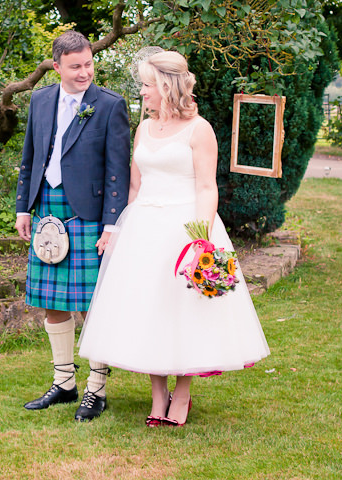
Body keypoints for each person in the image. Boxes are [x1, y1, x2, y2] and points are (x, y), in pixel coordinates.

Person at [78, 50, 270, 427]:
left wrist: (202, 238)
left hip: (186, 227)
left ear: (166, 86)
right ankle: (157, 395)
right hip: (144, 227)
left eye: (148, 85)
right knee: (149, 309)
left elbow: (206, 186)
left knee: (183, 310)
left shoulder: (200, 130)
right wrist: (118, 229)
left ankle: (181, 394)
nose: (143, 92)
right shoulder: (144, 128)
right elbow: (134, 185)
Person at [15, 31, 131, 421]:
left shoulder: (110, 105)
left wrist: (112, 224)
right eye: (76, 66)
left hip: (88, 213)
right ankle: (64, 382)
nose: (84, 73)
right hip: (46, 205)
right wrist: (23, 208)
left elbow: (118, 171)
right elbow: (29, 157)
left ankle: (96, 390)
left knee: (91, 305)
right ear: (56, 66)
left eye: (89, 65)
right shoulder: (40, 99)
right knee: (51, 301)